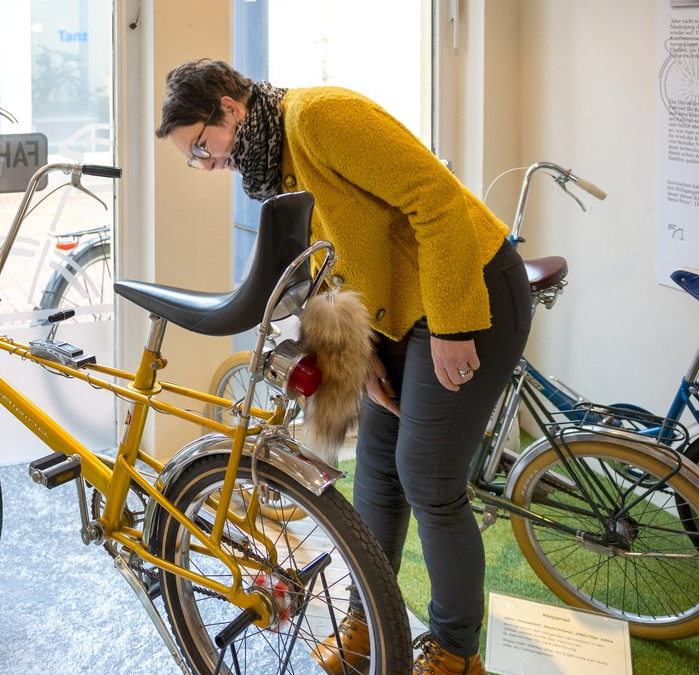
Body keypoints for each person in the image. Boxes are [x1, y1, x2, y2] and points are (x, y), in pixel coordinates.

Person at [156, 58, 531, 675]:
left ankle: (457, 653)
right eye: (194, 158)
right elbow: (340, 260)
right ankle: (368, 625)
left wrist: (453, 323)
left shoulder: (319, 116)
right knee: (376, 472)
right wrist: (361, 359)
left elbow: (435, 199)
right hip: (405, 315)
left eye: (202, 145)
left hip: (472, 291)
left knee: (429, 477)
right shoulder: (277, 166)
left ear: (230, 107)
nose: (206, 163)